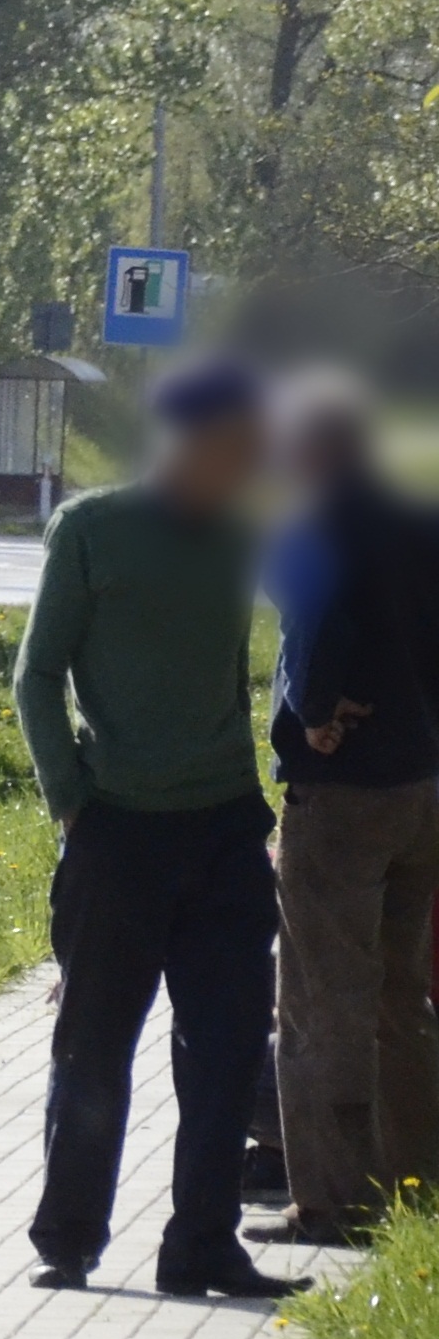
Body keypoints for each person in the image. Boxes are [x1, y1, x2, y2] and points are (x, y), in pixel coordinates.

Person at [13, 355, 295, 1297]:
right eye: (244, 446)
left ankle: (202, 1246)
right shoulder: (92, 530)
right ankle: (69, 1236)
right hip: (118, 833)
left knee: (223, 1049)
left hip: (223, 830)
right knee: (95, 1044)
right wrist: (71, 798)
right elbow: (36, 675)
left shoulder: (242, 534)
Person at [261, 374, 439, 1245]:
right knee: (402, 994)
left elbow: (313, 628)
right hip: (423, 785)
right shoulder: (421, 515)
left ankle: (332, 1201)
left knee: (321, 1000)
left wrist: (316, 709)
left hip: (347, 795)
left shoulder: (323, 519)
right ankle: (418, 1184)